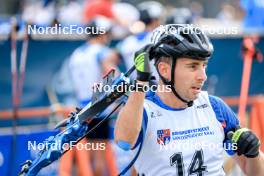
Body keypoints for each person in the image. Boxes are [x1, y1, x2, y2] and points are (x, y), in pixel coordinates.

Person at [114, 24, 264, 175]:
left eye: (204, 66)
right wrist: (141, 81)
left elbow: (253, 171)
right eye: (193, 66)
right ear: (164, 70)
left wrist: (254, 153)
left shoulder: (214, 107)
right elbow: (124, 141)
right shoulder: (143, 110)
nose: (203, 76)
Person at [60, 16, 119, 176]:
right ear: (102, 34)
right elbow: (114, 76)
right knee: (98, 161)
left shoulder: (77, 53)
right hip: (99, 110)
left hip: (82, 109)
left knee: (83, 158)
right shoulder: (102, 52)